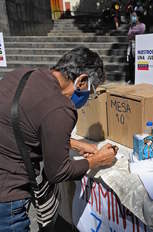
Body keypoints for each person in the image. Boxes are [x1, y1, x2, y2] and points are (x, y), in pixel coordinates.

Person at [0, 46, 118, 231]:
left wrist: (75, 143)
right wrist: (97, 160)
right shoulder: (61, 108)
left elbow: (23, 124)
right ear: (82, 81)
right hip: (8, 198)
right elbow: (58, 172)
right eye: (91, 90)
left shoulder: (22, 74)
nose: (88, 97)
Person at [126, 6, 146, 84]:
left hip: (138, 46)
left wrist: (133, 33)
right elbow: (129, 36)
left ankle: (137, 79)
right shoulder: (131, 26)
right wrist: (133, 33)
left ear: (138, 17)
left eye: (134, 16)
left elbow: (141, 32)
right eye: (132, 16)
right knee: (130, 63)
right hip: (131, 46)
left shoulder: (142, 25)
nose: (132, 18)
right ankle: (131, 79)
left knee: (137, 64)